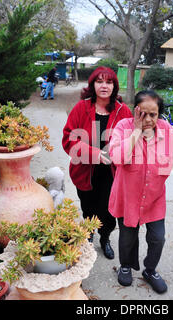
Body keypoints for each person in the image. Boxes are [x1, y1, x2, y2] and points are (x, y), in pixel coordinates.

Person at [108, 90, 173, 294]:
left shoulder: (168, 132)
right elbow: (118, 157)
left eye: (153, 115)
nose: (148, 119)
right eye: (143, 114)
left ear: (159, 114)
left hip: (154, 197)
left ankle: (150, 270)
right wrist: (136, 131)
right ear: (135, 111)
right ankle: (125, 266)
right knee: (127, 236)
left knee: (158, 237)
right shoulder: (123, 127)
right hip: (127, 196)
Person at [62, 66, 133, 260]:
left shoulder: (122, 110)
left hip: (112, 173)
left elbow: (130, 140)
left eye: (109, 82)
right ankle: (88, 236)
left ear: (114, 86)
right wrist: (93, 153)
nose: (104, 86)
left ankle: (105, 237)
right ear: (93, 84)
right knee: (88, 208)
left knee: (109, 212)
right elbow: (68, 139)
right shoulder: (81, 108)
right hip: (86, 170)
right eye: (100, 81)